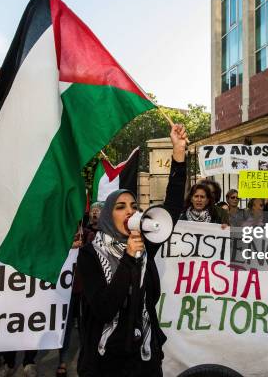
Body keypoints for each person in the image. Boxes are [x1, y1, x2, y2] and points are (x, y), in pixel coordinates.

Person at [76, 124, 187, 376]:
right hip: (106, 359)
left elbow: (172, 206)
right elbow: (104, 308)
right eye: (120, 206)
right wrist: (128, 259)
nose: (130, 211)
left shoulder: (145, 243)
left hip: (144, 354)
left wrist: (178, 154)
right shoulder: (90, 255)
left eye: (133, 206)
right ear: (106, 216)